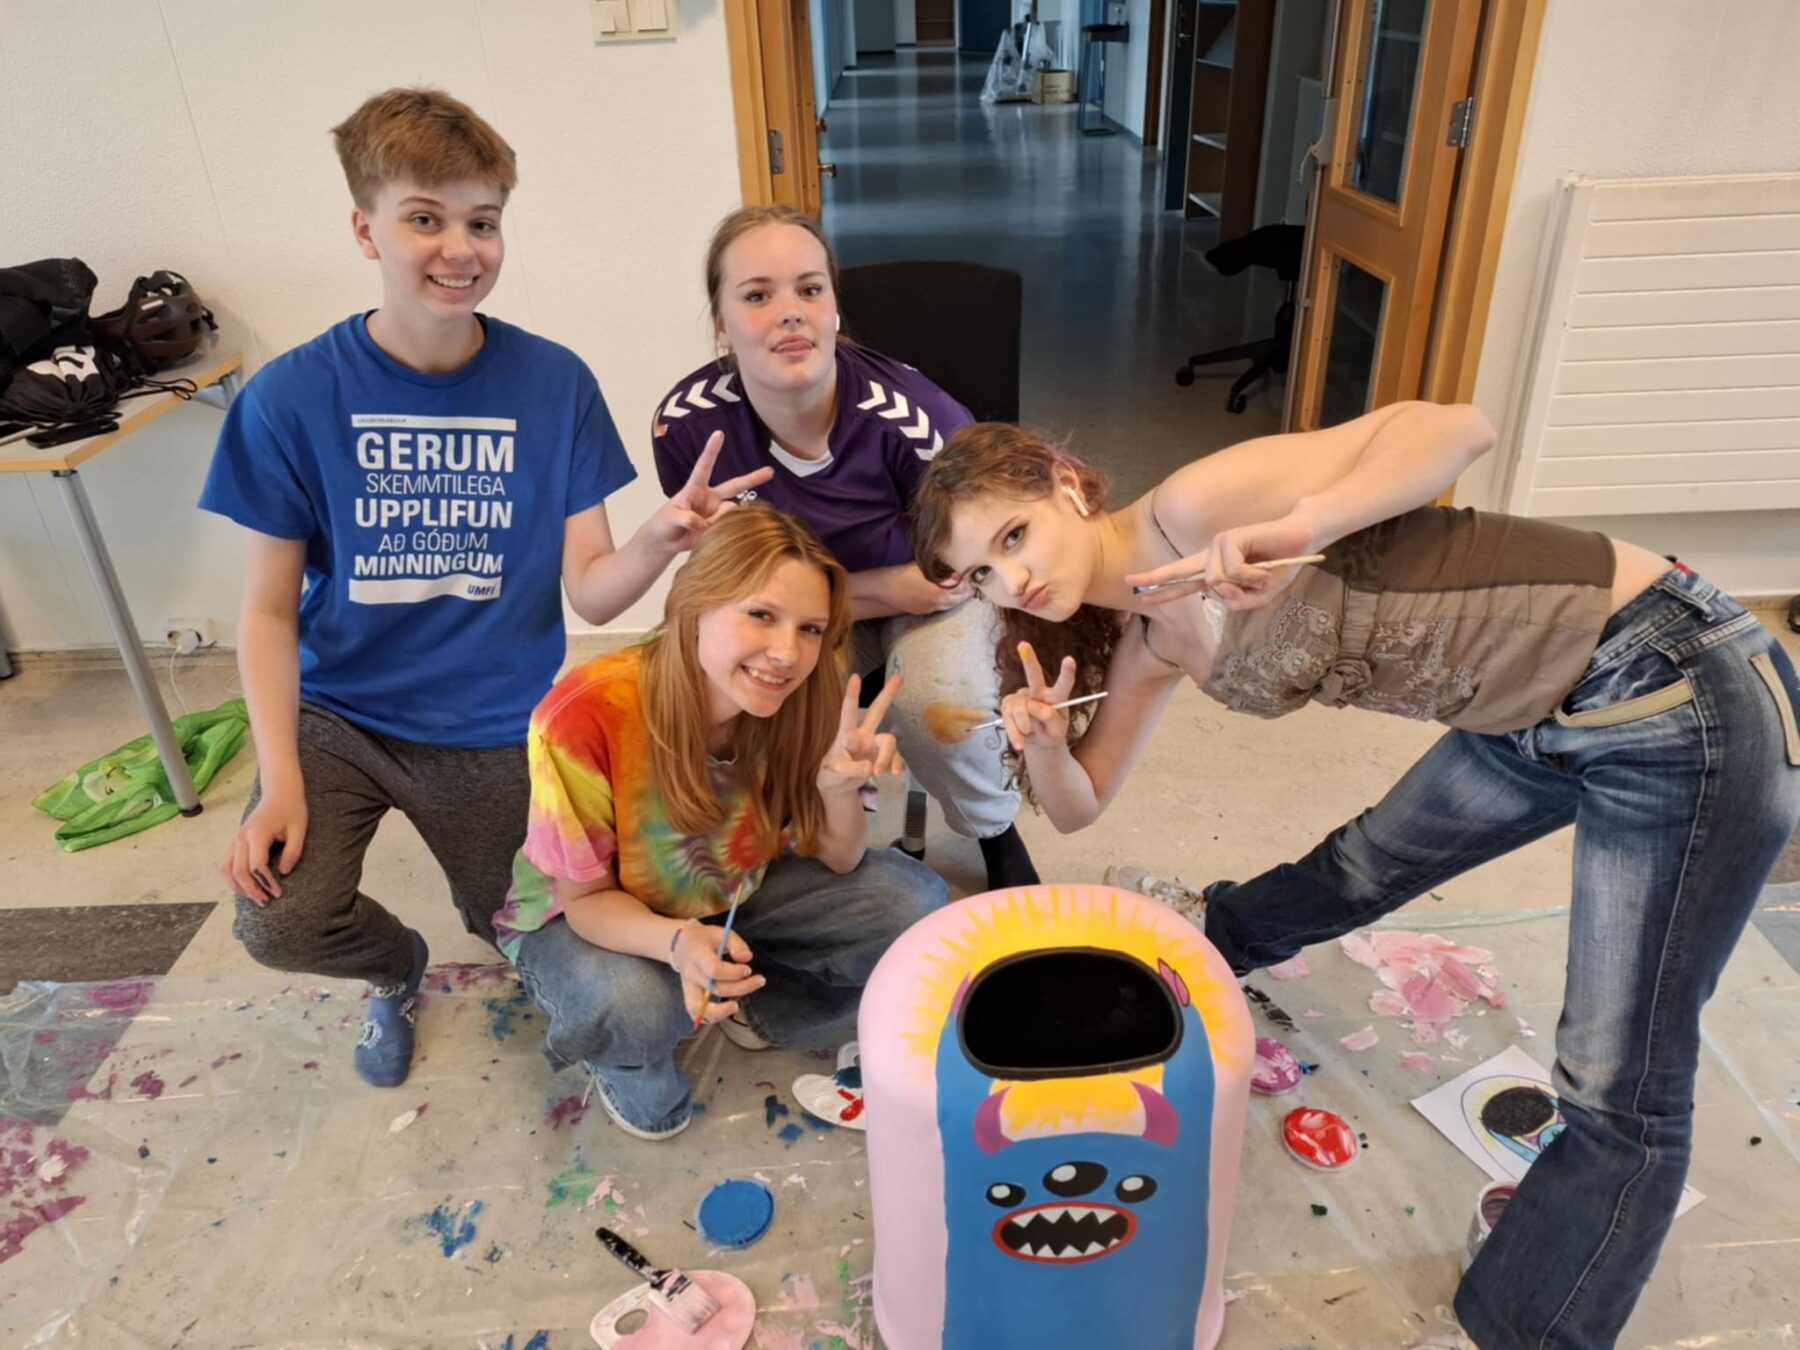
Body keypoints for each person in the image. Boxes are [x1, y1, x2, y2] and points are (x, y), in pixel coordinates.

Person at [909, 408, 1800, 1349]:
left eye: (1015, 536)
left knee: (1618, 1084)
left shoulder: (1194, 508)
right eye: (981, 573)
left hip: (1668, 684)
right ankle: (1204, 952)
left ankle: (1518, 1332)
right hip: (1527, 710)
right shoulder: (1151, 639)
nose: (1013, 578)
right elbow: (1079, 805)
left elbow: (1458, 429)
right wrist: (1047, 745)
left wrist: (1304, 525)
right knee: (1363, 863)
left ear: (1065, 485)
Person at [199, 88, 768, 1089]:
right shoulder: (289, 397)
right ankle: (396, 968)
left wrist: (660, 538)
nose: (459, 249)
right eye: (425, 218)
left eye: (483, 222)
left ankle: (490, 924)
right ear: (365, 229)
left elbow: (593, 595)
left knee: (543, 941)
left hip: (501, 723)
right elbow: (268, 609)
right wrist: (279, 776)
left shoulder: (554, 383)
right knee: (280, 918)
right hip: (340, 716)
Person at [493, 506, 947, 1139]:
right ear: (694, 604)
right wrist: (678, 944)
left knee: (915, 904)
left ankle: (755, 1008)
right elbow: (588, 901)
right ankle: (630, 1059)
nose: (787, 653)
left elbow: (842, 858)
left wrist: (836, 790)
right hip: (591, 915)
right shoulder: (584, 712)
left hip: (730, 888)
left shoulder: (810, 694)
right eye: (760, 614)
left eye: (811, 628)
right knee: (636, 1006)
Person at [651, 205, 1038, 891]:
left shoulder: (920, 423)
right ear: (720, 323)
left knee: (935, 704)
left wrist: (903, 592)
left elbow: (970, 568)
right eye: (756, 295)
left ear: (833, 308)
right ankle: (776, 821)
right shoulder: (687, 426)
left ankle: (992, 828)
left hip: (934, 589)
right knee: (734, 673)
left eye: (809, 289)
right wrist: (873, 591)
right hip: (820, 599)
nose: (789, 312)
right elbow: (728, 582)